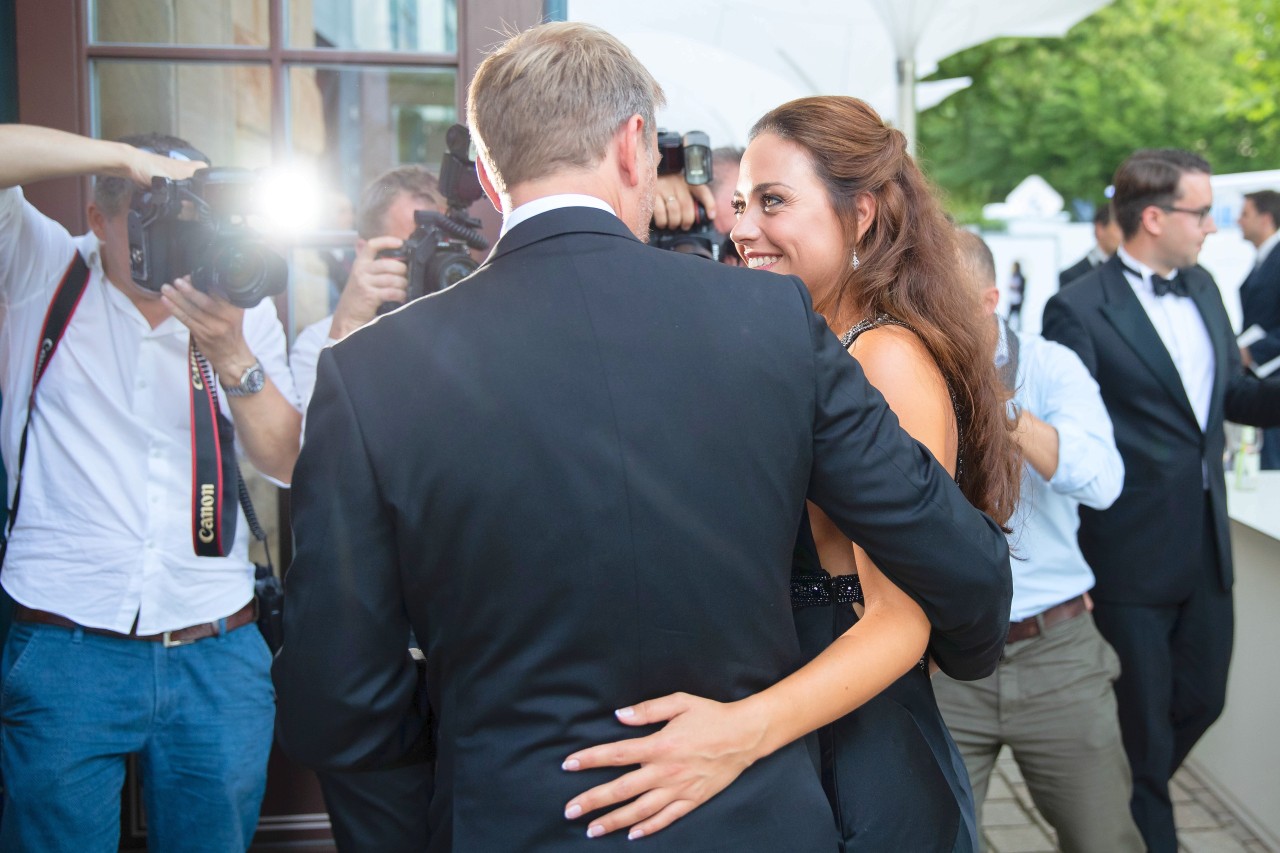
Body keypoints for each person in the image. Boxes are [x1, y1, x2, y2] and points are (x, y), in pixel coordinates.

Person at [273, 22, 1012, 852]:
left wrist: (471, 785)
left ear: (487, 170)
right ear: (635, 147)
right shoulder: (767, 323)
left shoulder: (367, 373)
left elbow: (334, 693)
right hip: (753, 822)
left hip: (508, 817)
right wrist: (971, 644)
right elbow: (961, 565)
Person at [564, 95, 1021, 851]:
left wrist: (736, 733)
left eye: (773, 201)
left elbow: (901, 622)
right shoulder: (808, 343)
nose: (743, 228)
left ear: (862, 214)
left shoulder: (886, 356)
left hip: (858, 754)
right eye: (740, 202)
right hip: (795, 724)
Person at [0, 125, 301, 851]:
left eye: (174, 216)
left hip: (215, 644)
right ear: (95, 217)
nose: (155, 237)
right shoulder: (40, 268)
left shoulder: (240, 303)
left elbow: (288, 461)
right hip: (65, 640)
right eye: (134, 213)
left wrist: (232, 354)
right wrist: (123, 160)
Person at [1041, 148, 1280, 853]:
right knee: (1144, 733)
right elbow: (1073, 437)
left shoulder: (1204, 286)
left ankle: (1114, 793)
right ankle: (1143, 821)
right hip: (1127, 556)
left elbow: (1230, 398)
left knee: (1203, 699)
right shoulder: (1077, 306)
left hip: (1207, 549)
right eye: (1201, 212)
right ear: (1154, 216)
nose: (1214, 226)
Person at [933, 230, 1143, 852]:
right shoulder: (901, 370)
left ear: (990, 300)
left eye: (949, 303)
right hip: (942, 659)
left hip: (1056, 653)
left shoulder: (1053, 365)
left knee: (1103, 839)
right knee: (933, 838)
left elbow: (1104, 483)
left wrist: (1000, 411)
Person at [289, 165, 444, 852]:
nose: (421, 266)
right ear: (361, 251)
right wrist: (353, 316)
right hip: (369, 685)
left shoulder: (470, 340)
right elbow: (303, 469)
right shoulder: (320, 342)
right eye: (404, 251)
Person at [291, 165, 445, 409]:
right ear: (365, 252)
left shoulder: (473, 327)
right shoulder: (319, 343)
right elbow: (317, 442)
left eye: (442, 251)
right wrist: (347, 327)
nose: (432, 263)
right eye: (415, 251)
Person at [1236, 189, 1280, 468]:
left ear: (1265, 218)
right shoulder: (1264, 258)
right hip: (1259, 384)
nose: (1238, 221)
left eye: (1245, 214)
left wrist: (1252, 352)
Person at [1060, 202, 1123, 288]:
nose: (1125, 235)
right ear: (1100, 229)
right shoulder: (1071, 276)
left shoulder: (1129, 269)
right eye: (1120, 228)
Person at [1006, 260, 1026, 330]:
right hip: (1012, 299)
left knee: (1018, 317)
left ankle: (1019, 330)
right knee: (1009, 316)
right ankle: (1007, 329)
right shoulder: (1013, 276)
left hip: (1018, 299)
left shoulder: (1021, 277)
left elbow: (1022, 289)